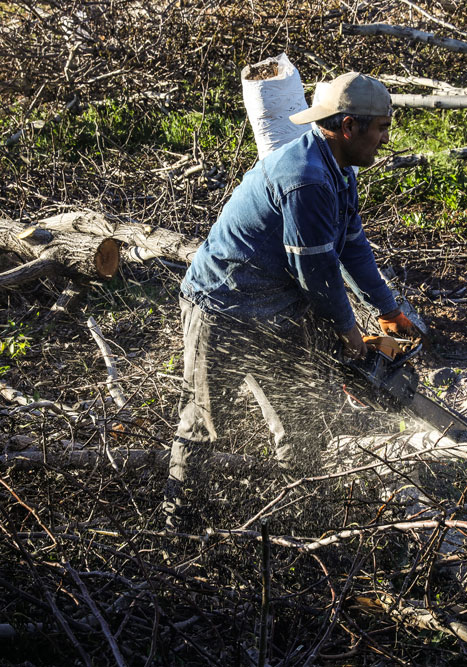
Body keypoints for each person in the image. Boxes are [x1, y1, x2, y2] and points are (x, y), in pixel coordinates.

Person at [164, 71, 420, 528]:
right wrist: (348, 332)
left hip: (276, 309)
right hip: (222, 308)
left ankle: (290, 516)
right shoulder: (307, 179)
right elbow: (316, 271)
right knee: (203, 422)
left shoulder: (338, 171)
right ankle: (179, 522)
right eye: (380, 127)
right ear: (348, 127)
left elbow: (352, 246)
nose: (385, 137)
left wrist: (388, 309)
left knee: (301, 416)